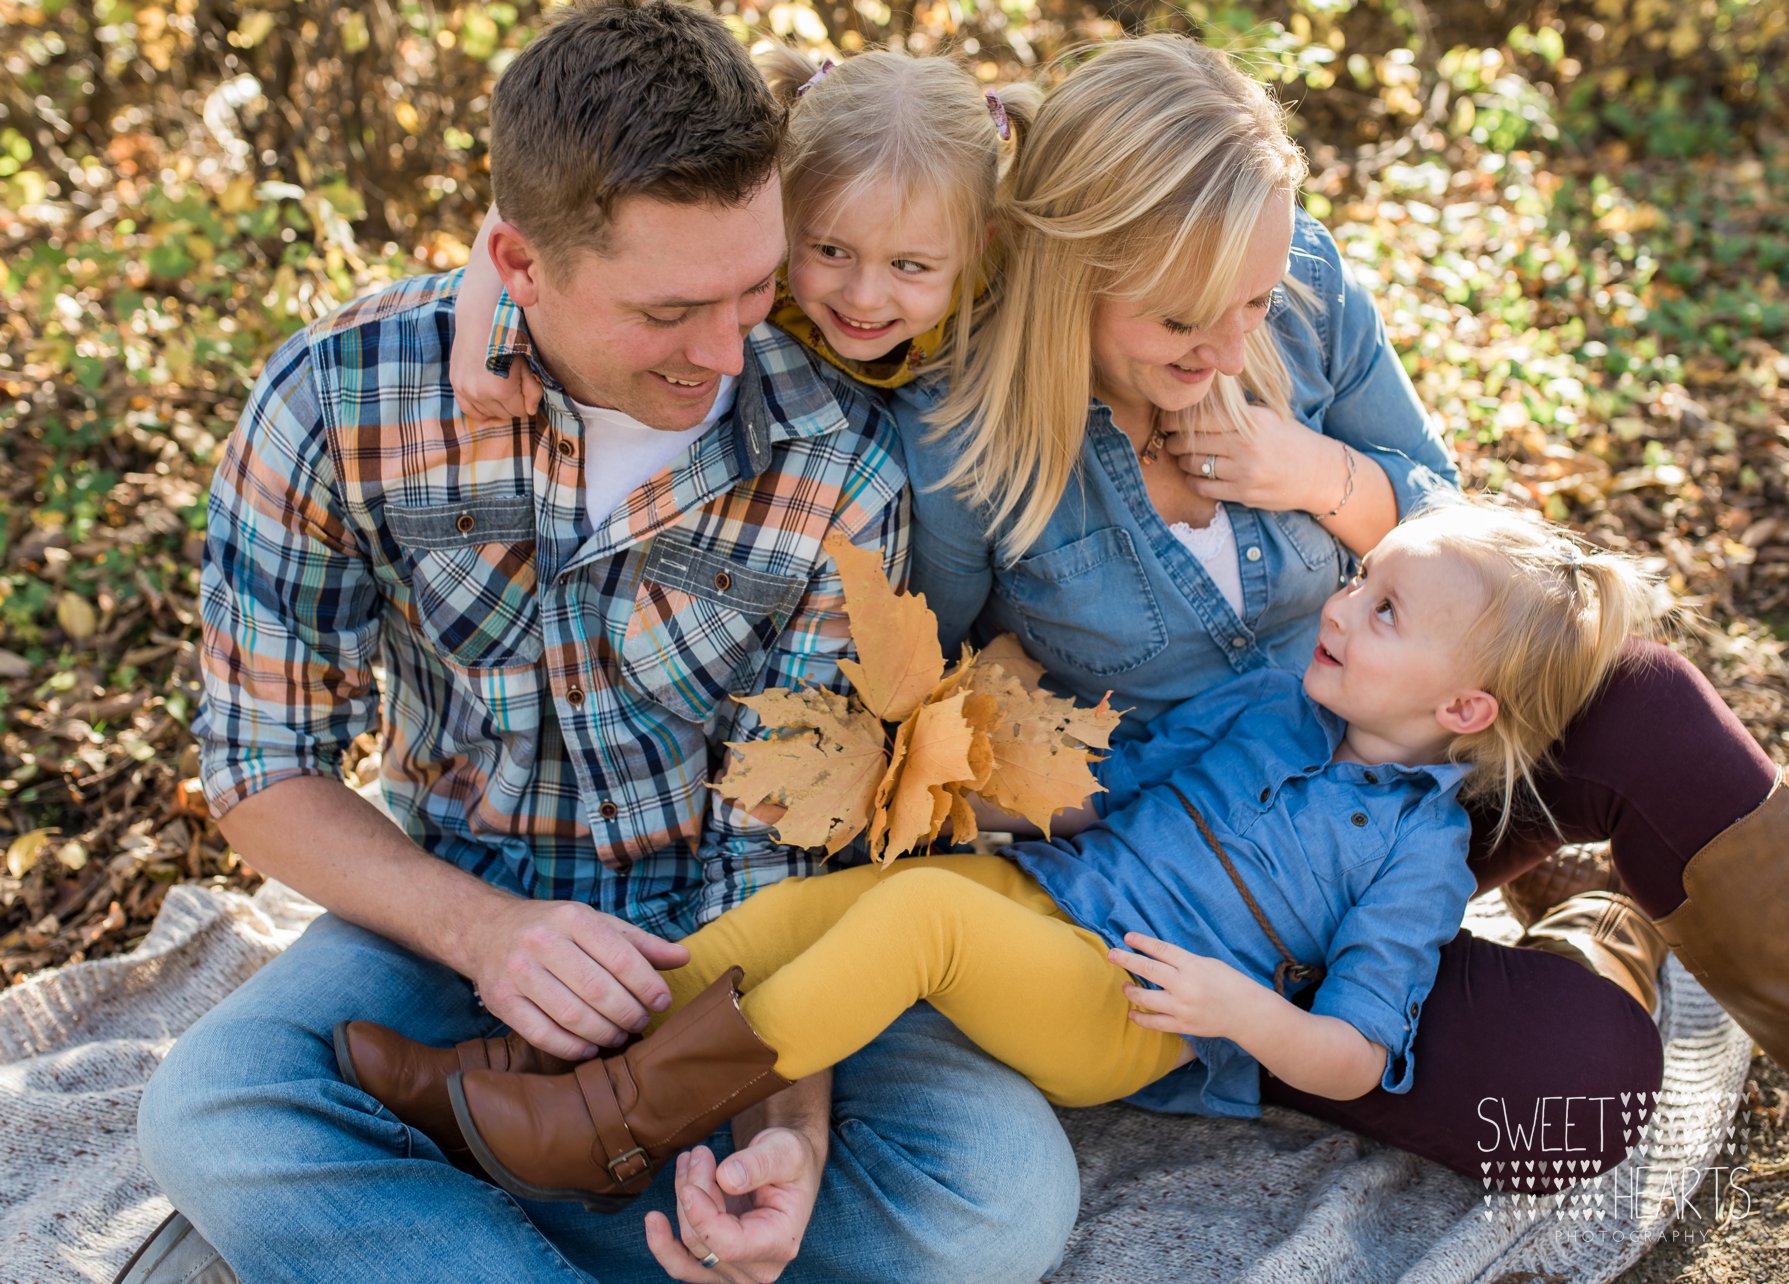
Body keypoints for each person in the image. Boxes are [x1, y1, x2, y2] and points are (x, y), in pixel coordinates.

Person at [130, 4, 1080, 1282]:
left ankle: (481, 1181)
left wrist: (780, 1130)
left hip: (748, 942)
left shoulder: (836, 453)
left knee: (995, 1198)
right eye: (671, 310)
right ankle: (553, 1172)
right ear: (515, 263)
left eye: (755, 286)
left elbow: (781, 844)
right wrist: (485, 937)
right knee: (211, 1115)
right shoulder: (337, 404)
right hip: (462, 907)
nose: (729, 350)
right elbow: (261, 765)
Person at [898, 32, 1789, 1190]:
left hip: (1415, 763)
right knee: (1577, 1099)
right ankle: (1600, 928)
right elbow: (933, 697)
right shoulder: (964, 443)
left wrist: (1325, 478)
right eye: (1182, 322)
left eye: (1254, 300)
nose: (1232, 348)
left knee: (1642, 695)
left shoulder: (1305, 292)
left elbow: (1477, 553)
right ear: (1073, 273)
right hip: (1230, 893)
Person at [338, 500, 1664, 1209]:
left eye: (1385, 610)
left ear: (1462, 712)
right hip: (1048, 894)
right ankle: (507, 1073)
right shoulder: (1276, 698)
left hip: (1131, 1005)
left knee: (921, 926)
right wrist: (1014, 791)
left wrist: (1244, 1011)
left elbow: (1361, 1052)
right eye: (1357, 577)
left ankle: (610, 1127)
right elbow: (1122, 782)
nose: (1343, 605)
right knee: (823, 908)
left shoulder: (1418, 853)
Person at [452, 46, 1039, 422]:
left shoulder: (1000, 285)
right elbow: (531, 197)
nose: (863, 296)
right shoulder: (749, 254)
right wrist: (477, 321)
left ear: (977, 244)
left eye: (909, 266)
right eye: (830, 250)